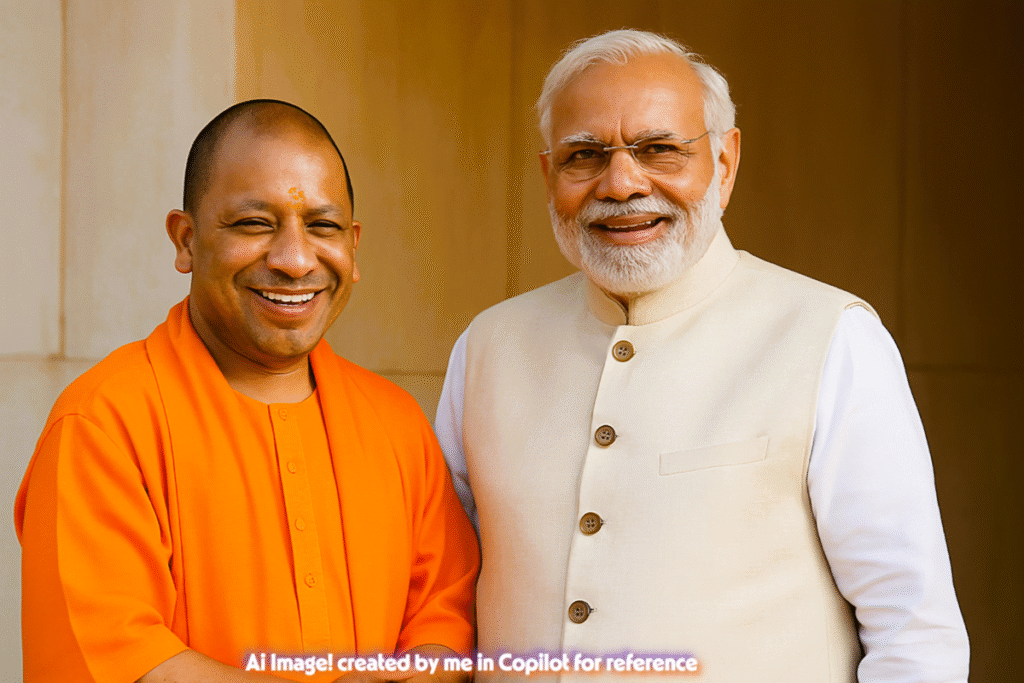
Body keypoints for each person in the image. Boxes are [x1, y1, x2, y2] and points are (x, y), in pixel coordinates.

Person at [435, 30, 968, 682]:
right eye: (585, 155)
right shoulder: (488, 347)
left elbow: (913, 629)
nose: (622, 183)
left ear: (724, 162)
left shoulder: (831, 337)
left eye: (660, 149)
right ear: (550, 176)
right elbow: (442, 601)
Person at [16, 100, 479, 683]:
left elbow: (448, 616)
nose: (293, 260)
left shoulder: (394, 424)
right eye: (254, 224)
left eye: (323, 226)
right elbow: (112, 658)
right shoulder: (105, 422)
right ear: (185, 241)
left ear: (353, 246)